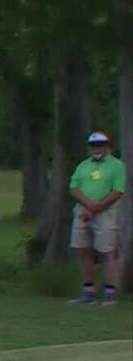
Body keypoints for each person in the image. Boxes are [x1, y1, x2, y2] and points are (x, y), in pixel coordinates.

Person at [68, 131, 125, 306]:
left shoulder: (117, 165)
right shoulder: (83, 165)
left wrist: (96, 207)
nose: (97, 149)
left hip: (106, 213)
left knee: (107, 252)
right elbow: (74, 187)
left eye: (100, 145)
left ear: (107, 146)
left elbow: (117, 191)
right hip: (82, 211)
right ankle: (88, 293)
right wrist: (88, 205)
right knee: (84, 251)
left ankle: (109, 294)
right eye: (94, 146)